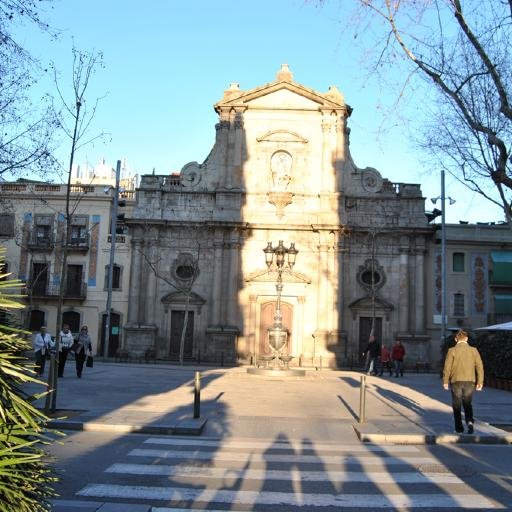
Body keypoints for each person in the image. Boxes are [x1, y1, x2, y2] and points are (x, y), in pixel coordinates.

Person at [443, 329, 484, 434]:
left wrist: (445, 381)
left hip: (456, 380)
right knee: (467, 403)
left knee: (457, 405)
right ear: (467, 339)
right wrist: (480, 382)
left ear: (456, 339)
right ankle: (470, 422)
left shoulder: (452, 350)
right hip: (470, 380)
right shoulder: (473, 350)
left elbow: (447, 367)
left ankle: (459, 429)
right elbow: (479, 367)